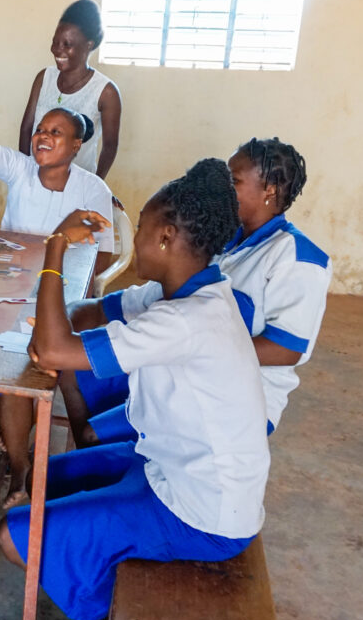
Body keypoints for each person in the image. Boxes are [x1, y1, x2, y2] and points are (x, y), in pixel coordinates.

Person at [0, 159, 269, 620]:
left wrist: (56, 247)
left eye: (140, 227)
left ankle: (109, 616)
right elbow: (85, 315)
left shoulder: (185, 320)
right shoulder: (183, 294)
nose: (133, 240)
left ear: (164, 238)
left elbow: (53, 348)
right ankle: (90, 556)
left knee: (10, 534)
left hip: (201, 512)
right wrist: (54, 322)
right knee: (42, 479)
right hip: (171, 467)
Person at [64, 137, 331, 446]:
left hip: (234, 398)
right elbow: (160, 295)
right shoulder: (219, 235)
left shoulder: (298, 259)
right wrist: (99, 310)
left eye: (235, 181)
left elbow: (287, 349)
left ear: (269, 190)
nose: (225, 191)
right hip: (176, 368)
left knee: (96, 431)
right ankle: (102, 464)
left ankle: (106, 467)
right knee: (76, 369)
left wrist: (182, 348)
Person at [0, 51, 117, 504]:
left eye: (56, 132)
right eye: (41, 130)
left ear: (75, 146)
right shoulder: (21, 170)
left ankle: (71, 447)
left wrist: (78, 302)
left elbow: (103, 256)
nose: (43, 137)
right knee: (9, 361)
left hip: (62, 295)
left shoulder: (92, 189)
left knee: (46, 356)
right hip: (8, 287)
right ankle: (20, 467)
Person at [19, 0, 122, 178]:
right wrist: (25, 173)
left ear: (88, 45)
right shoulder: (44, 78)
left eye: (67, 44)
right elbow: (27, 127)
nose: (58, 50)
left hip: (77, 183)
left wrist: (96, 185)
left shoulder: (105, 92)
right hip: (37, 177)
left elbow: (110, 146)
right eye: (55, 42)